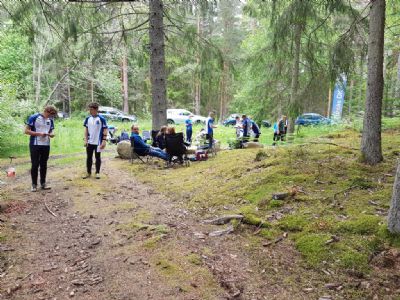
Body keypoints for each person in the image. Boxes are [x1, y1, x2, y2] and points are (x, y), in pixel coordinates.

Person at [25, 105, 58, 192]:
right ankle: (34, 184)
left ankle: (43, 183)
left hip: (46, 145)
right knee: (35, 164)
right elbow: (26, 131)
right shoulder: (34, 117)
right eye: (51, 114)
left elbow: (51, 130)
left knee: (44, 164)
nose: (51, 116)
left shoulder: (50, 120)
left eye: (52, 115)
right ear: (47, 111)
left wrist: (52, 134)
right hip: (35, 144)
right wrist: (39, 134)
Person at [83, 102, 108, 179]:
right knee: (89, 157)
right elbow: (86, 130)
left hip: (98, 142)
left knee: (98, 157)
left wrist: (104, 141)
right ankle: (88, 172)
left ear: (96, 109)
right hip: (90, 141)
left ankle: (97, 172)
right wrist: (85, 140)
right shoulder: (88, 118)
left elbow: (105, 130)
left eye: (92, 109)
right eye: (89, 109)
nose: (90, 111)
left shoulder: (101, 119)